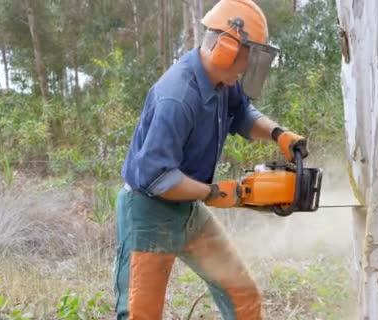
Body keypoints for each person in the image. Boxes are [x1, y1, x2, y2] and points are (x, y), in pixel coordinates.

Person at [113, 0, 308, 319]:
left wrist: (279, 135)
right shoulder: (177, 97)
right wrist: (215, 192)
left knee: (243, 296)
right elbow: (157, 178)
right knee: (140, 314)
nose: (247, 67)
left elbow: (242, 114)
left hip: (188, 208)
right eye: (248, 56)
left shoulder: (221, 81)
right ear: (227, 49)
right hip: (148, 213)